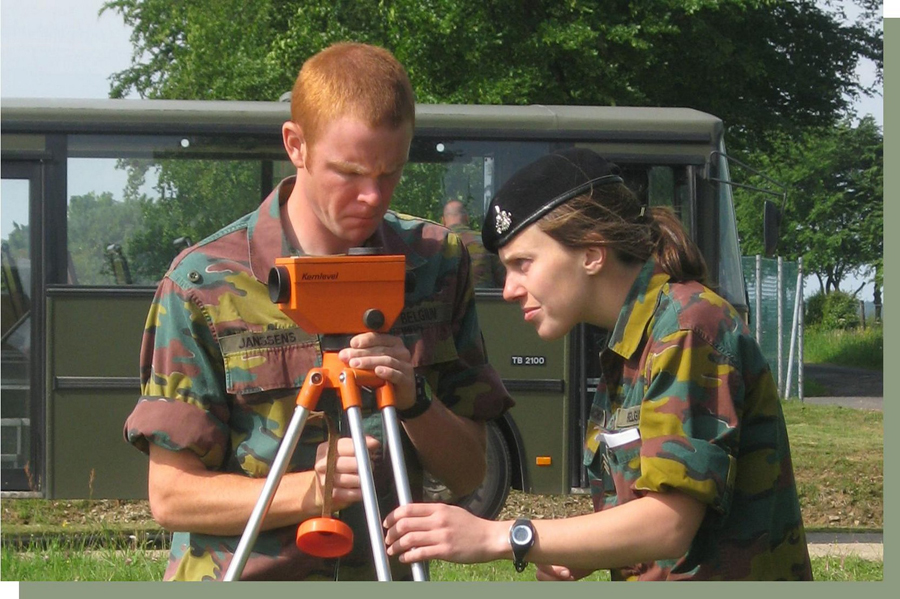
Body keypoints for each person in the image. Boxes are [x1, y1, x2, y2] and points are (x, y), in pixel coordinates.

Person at [123, 42, 513, 581]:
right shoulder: (202, 284)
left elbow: (472, 471)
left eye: (390, 172)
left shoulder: (435, 265)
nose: (372, 196)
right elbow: (171, 497)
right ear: (296, 145)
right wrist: (309, 491)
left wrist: (415, 400)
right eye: (349, 172)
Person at [383, 147, 813, 581]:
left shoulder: (687, 329)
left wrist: (505, 536)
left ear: (592, 254)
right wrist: (588, 552)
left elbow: (671, 523)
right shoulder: (634, 342)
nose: (510, 289)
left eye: (523, 264)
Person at [441, 199, 506, 288]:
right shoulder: (486, 241)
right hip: (485, 300)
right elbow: (504, 279)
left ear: (443, 221)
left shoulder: (435, 244)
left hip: (446, 300)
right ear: (467, 218)